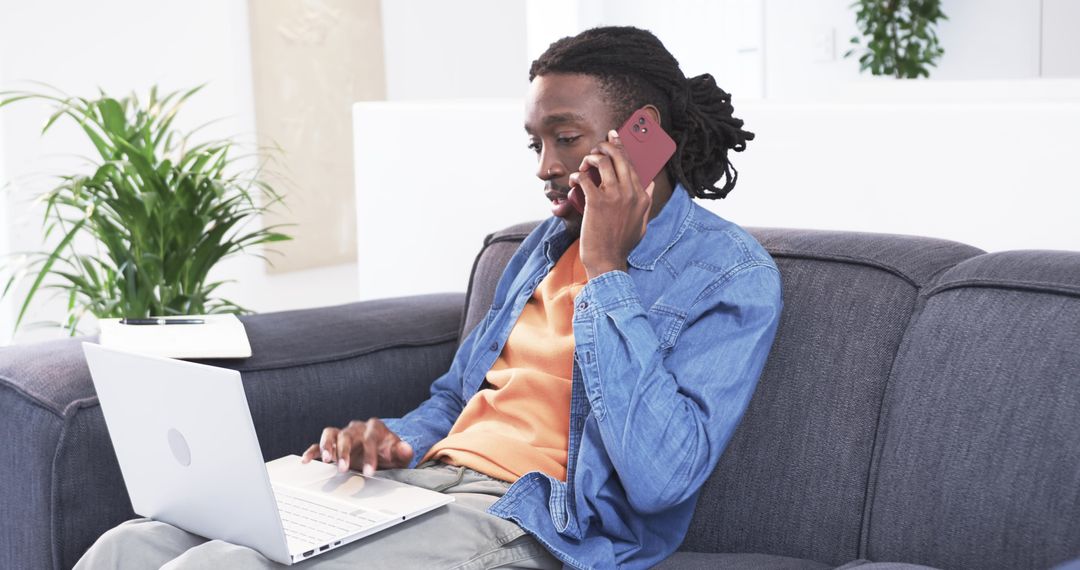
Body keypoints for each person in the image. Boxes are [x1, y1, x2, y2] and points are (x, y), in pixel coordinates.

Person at [75, 25, 782, 569]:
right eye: (535, 143)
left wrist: (606, 269)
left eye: (565, 138)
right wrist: (396, 438)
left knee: (223, 565)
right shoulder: (541, 245)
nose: (545, 167)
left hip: (533, 520)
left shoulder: (729, 274)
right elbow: (456, 396)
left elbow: (662, 479)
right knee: (132, 546)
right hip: (421, 483)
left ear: (643, 134)